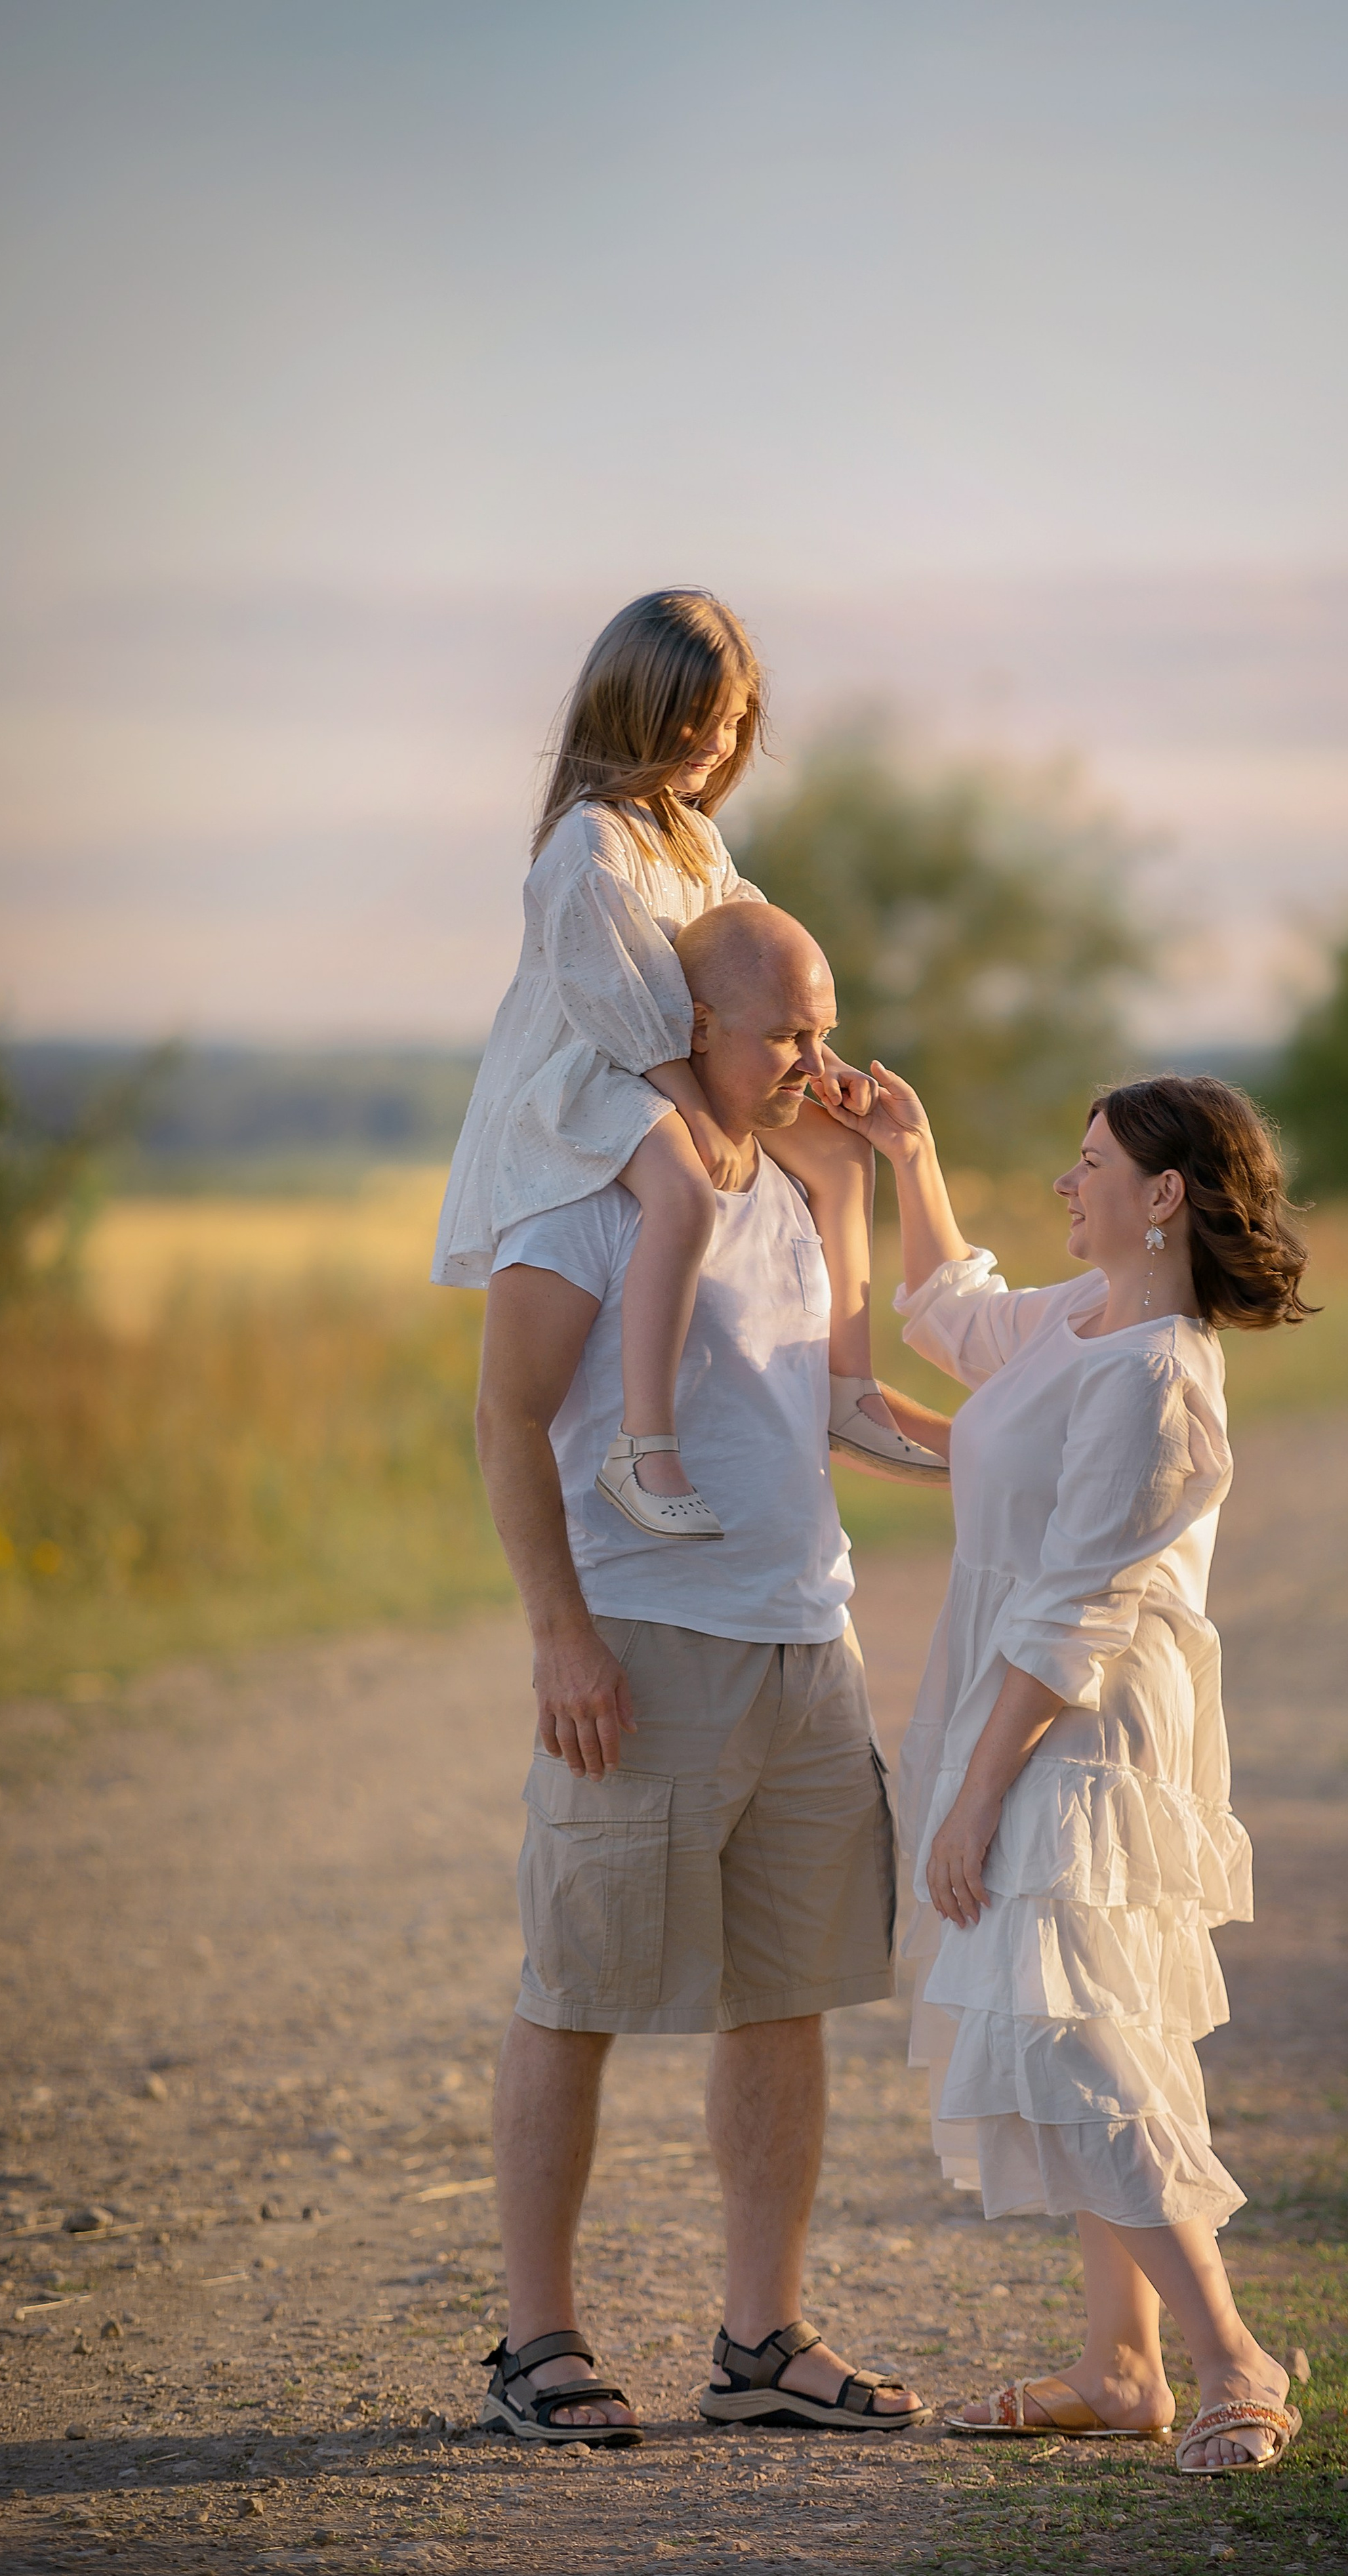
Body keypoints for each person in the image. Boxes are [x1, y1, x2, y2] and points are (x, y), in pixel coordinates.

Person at [470, 898, 945, 2447]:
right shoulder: (593, 1200)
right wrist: (560, 1634)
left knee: (788, 1997)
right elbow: (506, 1423)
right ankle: (535, 2340)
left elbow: (843, 1413)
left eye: (825, 1022)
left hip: (807, 1642)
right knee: (577, 1989)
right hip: (639, 1651)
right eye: (786, 1033)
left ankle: (760, 2342)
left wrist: (1028, 1447)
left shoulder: (806, 1187)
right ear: (691, 1029)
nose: (817, 1056)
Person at [832, 1061, 1313, 2474]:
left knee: (1076, 2025)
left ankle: (1230, 2356)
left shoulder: (1163, 1376)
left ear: (1160, 1195)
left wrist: (975, 1793)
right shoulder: (1081, 1318)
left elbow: (1077, 1617)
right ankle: (1118, 2366)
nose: (1066, 1180)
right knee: (1088, 2016)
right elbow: (954, 1316)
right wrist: (905, 1155)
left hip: (1077, 1722)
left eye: (1089, 1159)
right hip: (1021, 1697)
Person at [434, 586, 945, 1543]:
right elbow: (618, 1000)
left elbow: (752, 951)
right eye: (695, 722)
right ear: (633, 710)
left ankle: (848, 1385)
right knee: (684, 1192)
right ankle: (645, 1441)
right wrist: (694, 1106)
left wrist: (812, 1056)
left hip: (666, 1059)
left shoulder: (689, 830)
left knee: (838, 1155)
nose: (717, 742)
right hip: (592, 1079)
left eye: (734, 721)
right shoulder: (589, 844)